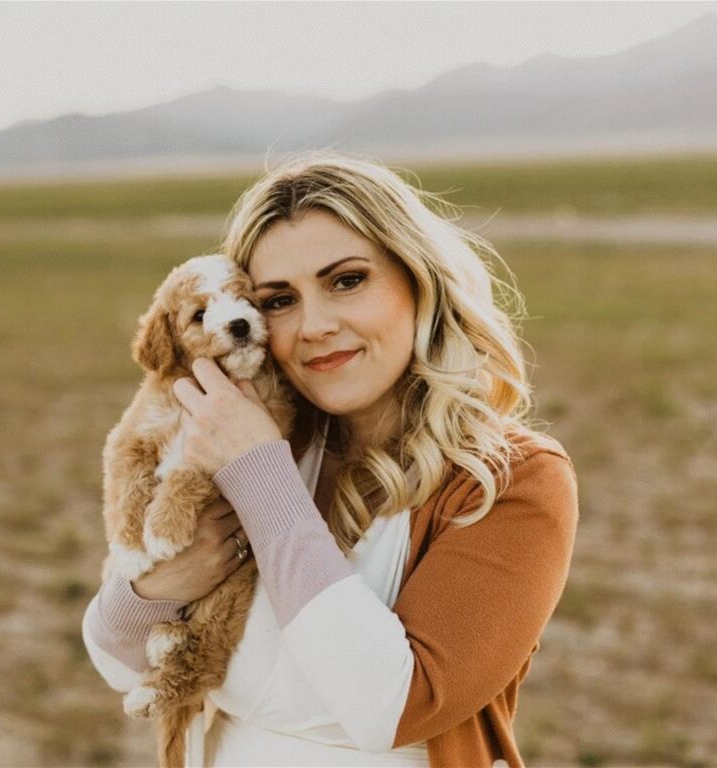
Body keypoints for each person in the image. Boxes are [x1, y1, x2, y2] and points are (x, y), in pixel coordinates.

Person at [83, 152, 579, 767]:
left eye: (346, 280)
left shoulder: (512, 480)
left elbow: (389, 707)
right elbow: (114, 657)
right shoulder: (265, 441)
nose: (314, 325)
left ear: (417, 281)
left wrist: (261, 476)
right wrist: (166, 581)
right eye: (278, 300)